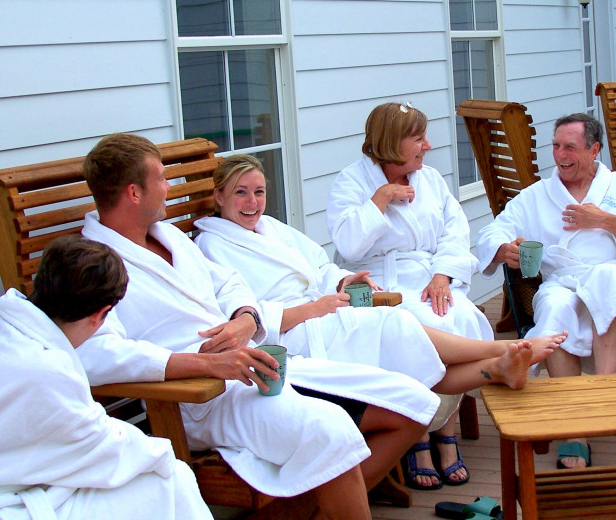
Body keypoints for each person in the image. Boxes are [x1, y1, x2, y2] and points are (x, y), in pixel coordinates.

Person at [76, 133, 443, 520]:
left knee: (412, 402)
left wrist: (245, 319)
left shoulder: (168, 238)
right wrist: (201, 365)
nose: (169, 188)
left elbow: (228, 283)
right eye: (162, 180)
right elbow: (95, 353)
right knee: (331, 430)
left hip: (253, 365)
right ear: (134, 193)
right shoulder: (98, 265)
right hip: (200, 396)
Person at [194, 154, 564, 394]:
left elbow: (319, 264)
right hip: (292, 335)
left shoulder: (271, 228)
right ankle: (499, 353)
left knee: (400, 349)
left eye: (258, 192)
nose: (252, 202)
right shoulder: (212, 247)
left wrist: (343, 280)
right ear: (220, 197)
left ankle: (497, 367)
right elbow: (246, 313)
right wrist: (313, 309)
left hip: (324, 312)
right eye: (240, 193)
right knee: (395, 326)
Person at [476, 113, 616, 469]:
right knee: (553, 305)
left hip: (612, 276)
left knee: (609, 283)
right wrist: (503, 249)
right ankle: (573, 430)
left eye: (570, 146)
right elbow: (494, 230)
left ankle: (601, 397)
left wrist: (606, 221)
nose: (561, 154)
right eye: (555, 146)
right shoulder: (537, 196)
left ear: (594, 149)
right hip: (561, 281)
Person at [325, 102, 499, 489]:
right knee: (412, 330)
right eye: (419, 138)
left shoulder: (432, 180)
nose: (428, 146)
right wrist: (381, 199)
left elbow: (455, 231)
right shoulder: (351, 182)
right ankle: (420, 438)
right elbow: (349, 246)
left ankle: (445, 433)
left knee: (455, 318)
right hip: (377, 283)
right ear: (392, 142)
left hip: (427, 276)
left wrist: (443, 275)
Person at [0, 235, 212, 520]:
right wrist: (162, 453)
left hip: (14, 477)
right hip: (1, 501)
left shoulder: (1, 330)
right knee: (172, 479)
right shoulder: (47, 370)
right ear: (100, 315)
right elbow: (98, 446)